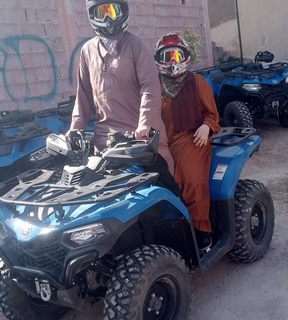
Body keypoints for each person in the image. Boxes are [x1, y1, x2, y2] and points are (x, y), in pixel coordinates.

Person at [68, 0, 180, 195]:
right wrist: (75, 128)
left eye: (113, 10)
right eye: (102, 12)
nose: (108, 19)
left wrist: (144, 125)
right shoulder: (87, 51)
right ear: (92, 16)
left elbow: (150, 88)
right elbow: (83, 95)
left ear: (123, 12)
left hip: (141, 141)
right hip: (105, 143)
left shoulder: (137, 46)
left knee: (166, 191)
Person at [154, 32, 221, 250]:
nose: (172, 62)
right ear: (159, 60)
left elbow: (212, 115)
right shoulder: (154, 88)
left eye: (176, 55)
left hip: (192, 137)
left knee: (190, 178)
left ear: (185, 57)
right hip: (162, 141)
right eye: (167, 57)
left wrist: (206, 127)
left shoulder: (198, 83)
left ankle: (201, 230)